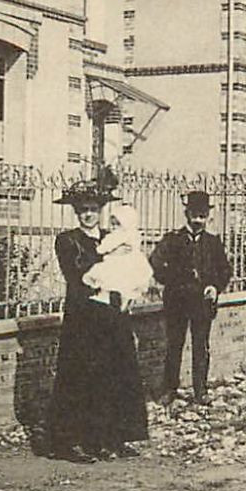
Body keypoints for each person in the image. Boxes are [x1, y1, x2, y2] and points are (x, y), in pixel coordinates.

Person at [45, 177, 148, 462]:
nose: (87, 214)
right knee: (80, 377)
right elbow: (77, 275)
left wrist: (127, 289)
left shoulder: (111, 236)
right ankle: (69, 442)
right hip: (83, 319)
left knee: (115, 375)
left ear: (101, 209)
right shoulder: (68, 240)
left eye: (92, 209)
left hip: (113, 317)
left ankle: (111, 437)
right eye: (82, 209)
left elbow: (131, 265)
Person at [150, 190, 233, 405]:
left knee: (201, 346)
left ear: (208, 216)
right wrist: (173, 280)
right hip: (177, 301)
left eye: (203, 215)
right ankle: (170, 389)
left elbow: (225, 270)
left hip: (202, 303)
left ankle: (200, 390)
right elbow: (155, 264)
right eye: (195, 214)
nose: (198, 220)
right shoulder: (172, 240)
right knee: (174, 344)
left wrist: (215, 287)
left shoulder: (213, 242)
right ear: (186, 214)